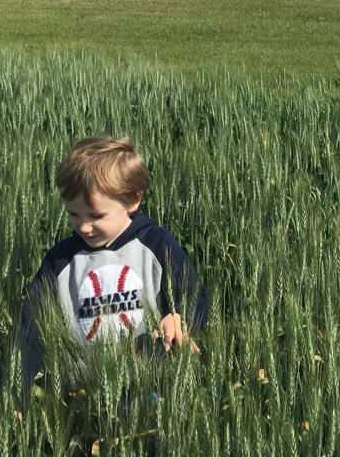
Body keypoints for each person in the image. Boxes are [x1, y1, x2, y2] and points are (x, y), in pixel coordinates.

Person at [19, 136, 208, 396]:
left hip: (153, 392)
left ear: (132, 199)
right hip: (82, 398)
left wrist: (180, 318)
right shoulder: (60, 261)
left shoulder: (156, 245)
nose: (83, 226)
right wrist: (20, 392)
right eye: (73, 214)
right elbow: (31, 329)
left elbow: (196, 297)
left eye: (96, 215)